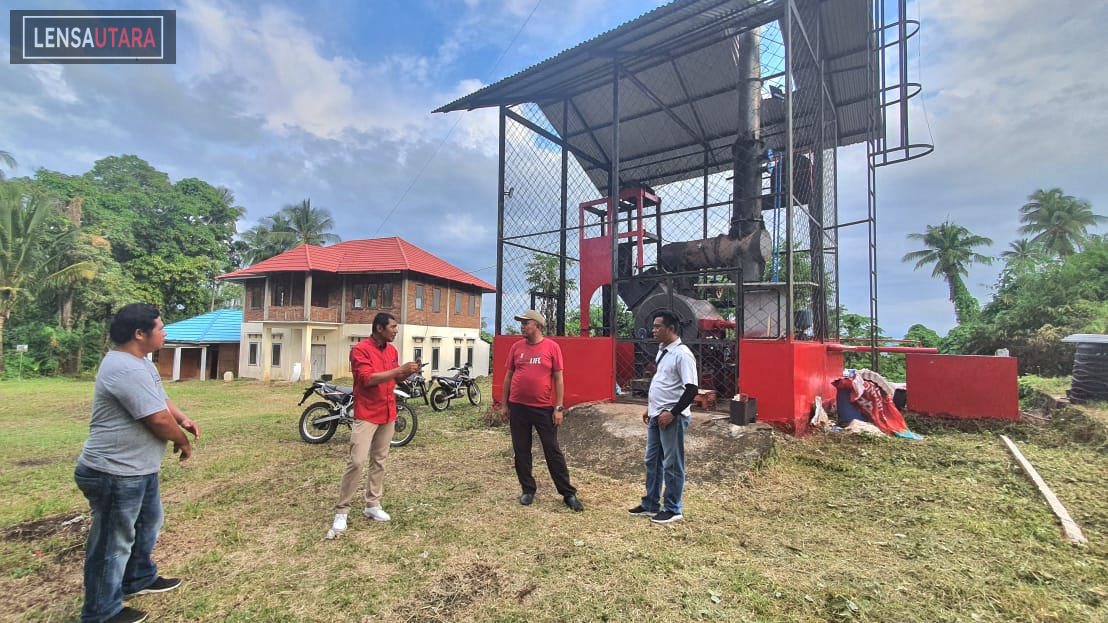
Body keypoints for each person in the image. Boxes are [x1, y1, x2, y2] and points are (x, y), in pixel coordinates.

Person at [75, 304, 200, 623]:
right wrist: (181, 441)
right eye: (160, 328)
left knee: (148, 524)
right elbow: (157, 419)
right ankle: (101, 611)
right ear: (139, 334)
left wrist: (182, 418)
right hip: (113, 471)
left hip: (137, 469)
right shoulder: (123, 367)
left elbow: (161, 400)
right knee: (111, 543)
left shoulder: (141, 361)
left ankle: (138, 578)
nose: (165, 332)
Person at [329, 312, 420, 538]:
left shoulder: (392, 351)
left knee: (379, 460)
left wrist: (408, 373)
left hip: (388, 411)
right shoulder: (360, 350)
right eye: (393, 327)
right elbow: (367, 379)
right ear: (379, 328)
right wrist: (398, 371)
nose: (396, 331)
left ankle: (373, 505)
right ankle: (342, 511)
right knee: (357, 461)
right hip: (367, 413)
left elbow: (394, 377)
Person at [498, 310, 584, 512]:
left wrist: (559, 408)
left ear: (536, 325)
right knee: (521, 450)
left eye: (525, 323)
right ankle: (528, 489)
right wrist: (504, 405)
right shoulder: (516, 347)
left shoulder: (552, 348)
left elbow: (559, 379)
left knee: (552, 450)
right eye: (521, 323)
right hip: (518, 407)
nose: (522, 327)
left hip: (542, 408)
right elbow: (508, 377)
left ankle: (568, 493)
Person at [628, 310, 698, 524]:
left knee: (672, 464)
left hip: (671, 419)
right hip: (657, 415)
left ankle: (673, 508)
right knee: (652, 460)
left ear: (671, 329)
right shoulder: (663, 351)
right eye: (654, 326)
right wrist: (652, 408)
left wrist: (673, 413)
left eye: (658, 327)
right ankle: (650, 504)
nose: (653, 330)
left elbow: (691, 389)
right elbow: (665, 383)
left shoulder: (682, 354)